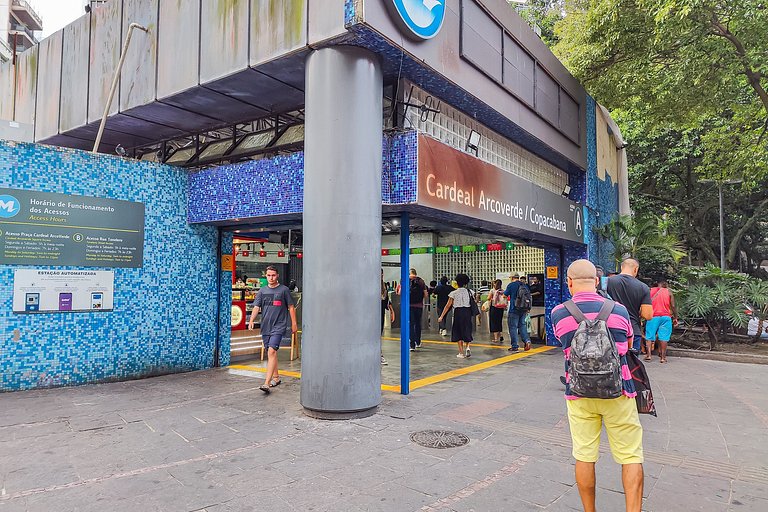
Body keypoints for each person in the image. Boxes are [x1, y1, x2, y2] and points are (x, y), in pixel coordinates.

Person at [551, 259, 644, 512]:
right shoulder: (619, 310)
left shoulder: (559, 312)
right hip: (619, 392)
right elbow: (626, 346)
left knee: (584, 456)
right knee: (631, 455)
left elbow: (564, 344)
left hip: (578, 394)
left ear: (569, 282)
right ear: (596, 281)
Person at [248, 265, 298, 394]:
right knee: (271, 353)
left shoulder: (284, 290)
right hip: (265, 326)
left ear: (277, 276)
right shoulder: (262, 291)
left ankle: (266, 383)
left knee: (271, 351)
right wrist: (252, 320)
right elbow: (256, 307)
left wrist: (294, 324)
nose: (271, 277)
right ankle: (276, 377)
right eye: (269, 275)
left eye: (273, 275)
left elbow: (291, 307)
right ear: (266, 276)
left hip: (279, 325)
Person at [606, 258, 653, 353]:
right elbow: (647, 315)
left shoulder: (606, 282)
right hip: (632, 329)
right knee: (631, 366)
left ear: (621, 267)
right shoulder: (643, 287)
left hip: (608, 329)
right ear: (636, 269)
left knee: (608, 365)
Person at [438, 273, 473, 359]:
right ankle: (468, 347)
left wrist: (441, 316)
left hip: (458, 312)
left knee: (458, 331)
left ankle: (461, 353)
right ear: (466, 283)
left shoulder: (453, 293)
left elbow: (447, 306)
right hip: (467, 312)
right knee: (467, 329)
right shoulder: (470, 292)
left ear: (457, 282)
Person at [645, 279, 677, 363]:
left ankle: (649, 355)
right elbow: (673, 306)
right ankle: (663, 358)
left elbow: (645, 303)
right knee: (664, 337)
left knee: (649, 336)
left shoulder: (650, 291)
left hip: (653, 316)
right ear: (664, 284)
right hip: (666, 317)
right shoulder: (669, 292)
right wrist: (675, 317)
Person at [504, 272, 531, 351]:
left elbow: (505, 295)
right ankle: (527, 341)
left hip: (514, 309)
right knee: (522, 325)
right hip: (523, 308)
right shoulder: (524, 285)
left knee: (513, 327)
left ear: (512, 278)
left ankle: (515, 346)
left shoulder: (511, 285)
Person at [408, 268, 428, 351]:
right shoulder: (421, 281)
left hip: (409, 306)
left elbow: (400, 292)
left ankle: (412, 345)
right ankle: (418, 342)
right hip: (419, 306)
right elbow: (426, 294)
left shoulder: (406, 279)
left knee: (411, 324)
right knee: (418, 323)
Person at [380, 270, 395, 365]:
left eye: (382, 273)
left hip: (381, 313)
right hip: (370, 315)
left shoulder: (384, 285)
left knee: (379, 334)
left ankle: (379, 354)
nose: (381, 275)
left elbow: (387, 300)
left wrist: (392, 311)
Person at [488, 279, 506, 343]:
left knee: (493, 322)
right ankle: (501, 335)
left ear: (495, 284)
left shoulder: (492, 290)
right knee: (499, 321)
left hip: (494, 307)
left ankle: (495, 338)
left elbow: (488, 298)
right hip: (501, 308)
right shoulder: (502, 290)